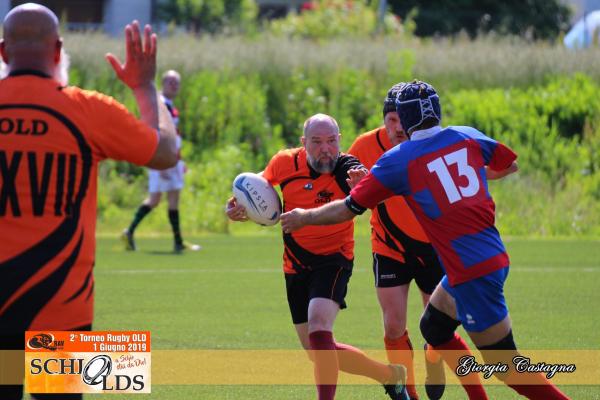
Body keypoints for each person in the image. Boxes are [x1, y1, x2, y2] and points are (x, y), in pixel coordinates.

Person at [280, 81, 570, 400]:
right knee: (433, 327)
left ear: (404, 119)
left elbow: (347, 209)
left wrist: (303, 217)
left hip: (471, 272)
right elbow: (508, 164)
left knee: (508, 370)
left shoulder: (400, 159)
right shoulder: (466, 135)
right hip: (489, 257)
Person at [0, 3, 177, 399]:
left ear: (3, 52)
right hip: (63, 309)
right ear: (58, 50)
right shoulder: (87, 110)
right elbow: (166, 152)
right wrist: (144, 87)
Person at [226, 113, 410, 400]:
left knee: (319, 328)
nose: (326, 149)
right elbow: (258, 185)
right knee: (316, 350)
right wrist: (238, 206)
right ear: (303, 143)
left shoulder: (347, 168)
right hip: (295, 262)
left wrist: (363, 186)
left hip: (334, 259)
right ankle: (389, 375)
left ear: (340, 140)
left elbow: (369, 188)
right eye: (317, 142)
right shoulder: (285, 163)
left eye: (331, 141)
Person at [347, 83, 447, 400]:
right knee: (393, 325)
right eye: (391, 119)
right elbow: (342, 191)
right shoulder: (364, 146)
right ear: (384, 120)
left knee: (437, 324)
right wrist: (354, 188)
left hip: (432, 243)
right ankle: (408, 393)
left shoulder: (431, 144)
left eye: (402, 119)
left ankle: (434, 356)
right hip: (389, 245)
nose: (398, 127)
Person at [122, 70, 200, 253]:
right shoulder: (161, 105)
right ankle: (176, 242)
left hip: (169, 159)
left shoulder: (168, 105)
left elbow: (173, 136)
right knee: (167, 198)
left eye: (176, 83)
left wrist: (179, 160)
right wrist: (162, 163)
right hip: (162, 159)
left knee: (157, 199)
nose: (174, 86)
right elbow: (157, 132)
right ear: (163, 84)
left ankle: (131, 232)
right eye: (170, 82)